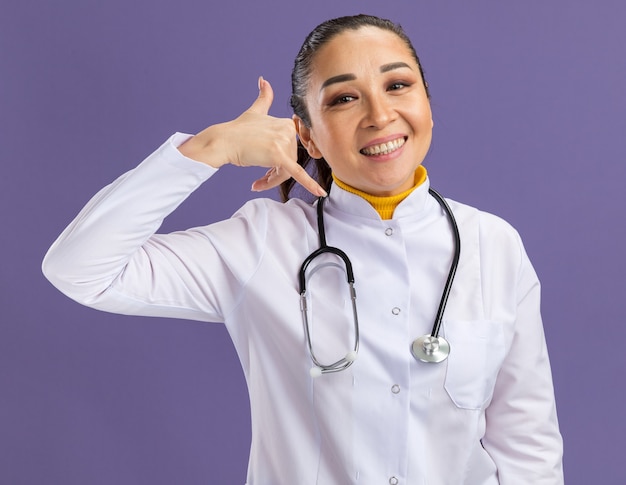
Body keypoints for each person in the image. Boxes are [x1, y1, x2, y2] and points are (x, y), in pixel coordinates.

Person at [42, 14, 564, 484]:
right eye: (343, 98)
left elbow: (527, 447)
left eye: (398, 85)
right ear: (307, 137)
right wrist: (206, 150)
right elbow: (80, 270)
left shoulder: (493, 244)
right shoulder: (260, 242)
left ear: (427, 101)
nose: (380, 115)